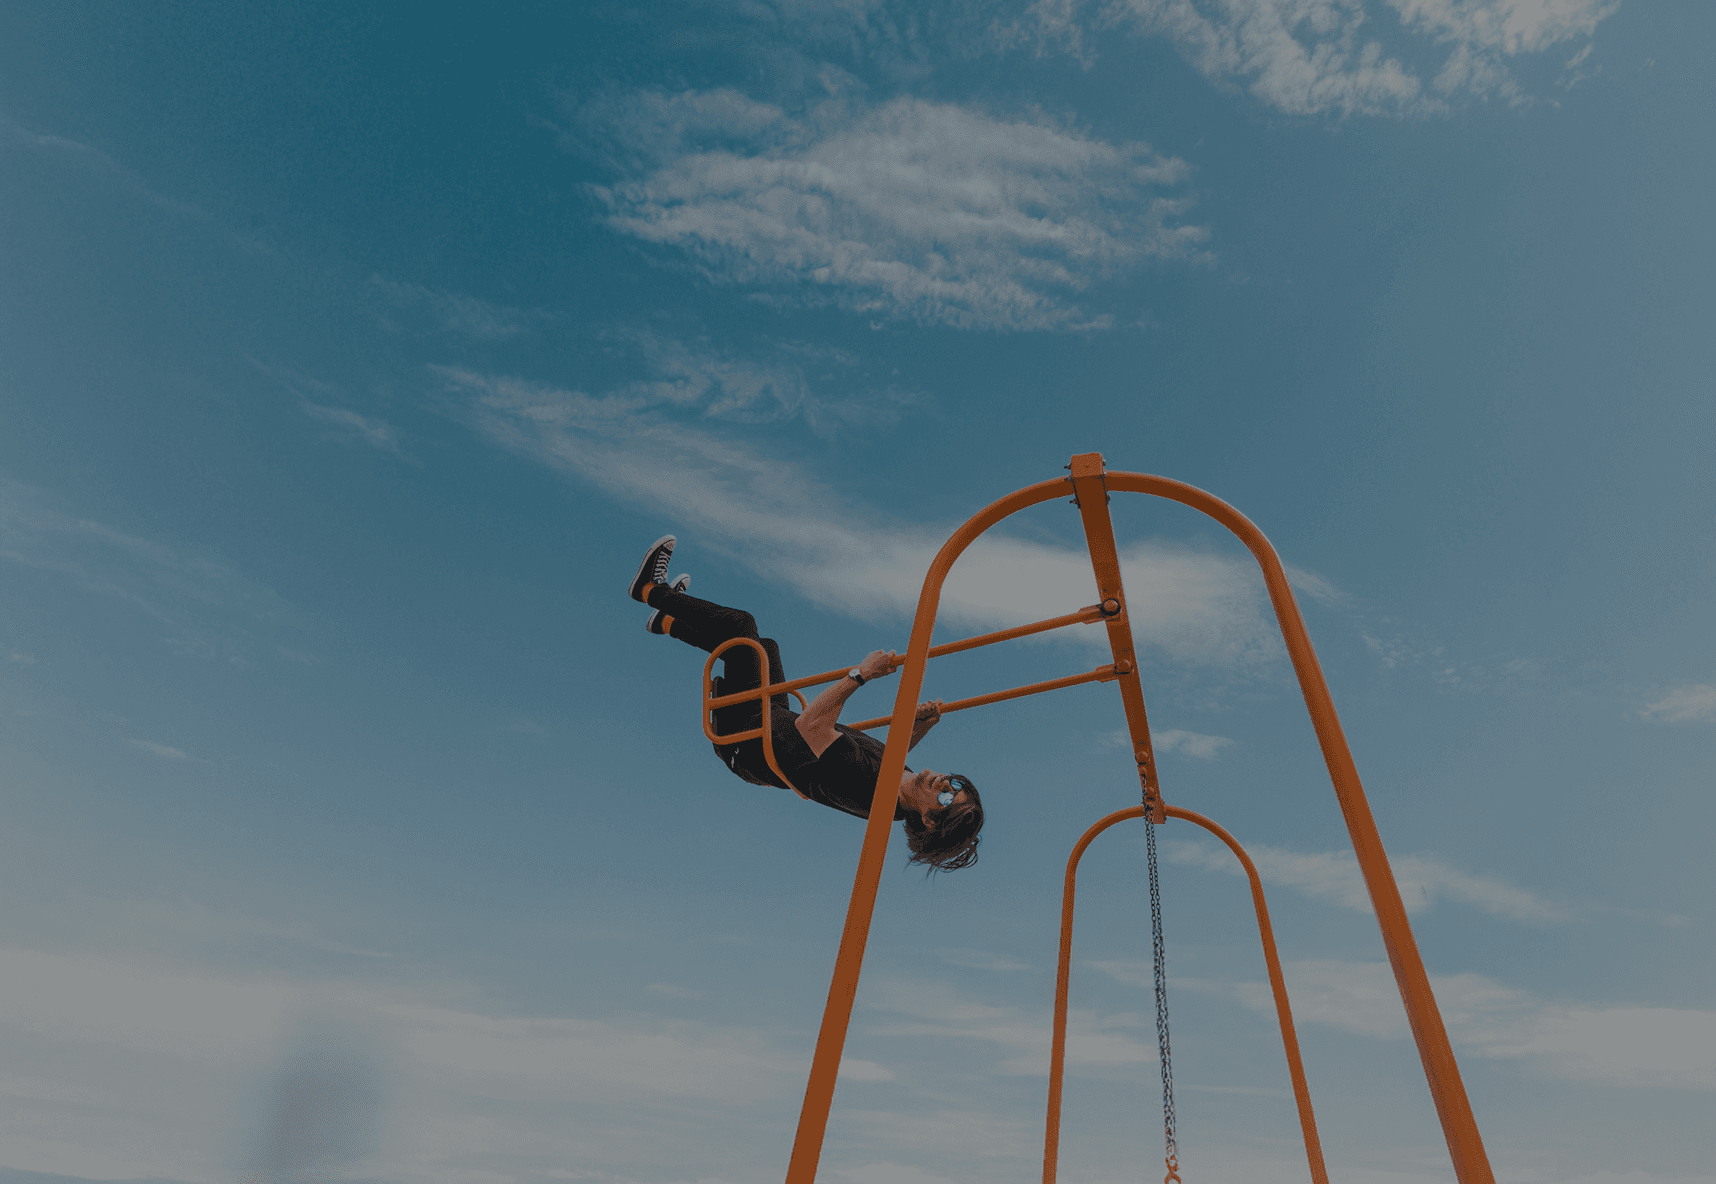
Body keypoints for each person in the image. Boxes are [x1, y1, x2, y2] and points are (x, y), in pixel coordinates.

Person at [629, 535, 983, 872]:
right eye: (955, 785)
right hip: (771, 722)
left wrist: (861, 674)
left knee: (741, 627)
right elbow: (886, 754)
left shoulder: (870, 789)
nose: (944, 784)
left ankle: (650, 591)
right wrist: (920, 726)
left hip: (750, 738)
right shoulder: (898, 783)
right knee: (764, 648)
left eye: (948, 800)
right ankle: (670, 621)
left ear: (927, 819)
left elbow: (812, 726)